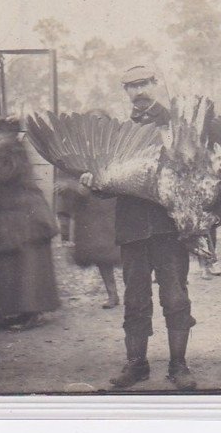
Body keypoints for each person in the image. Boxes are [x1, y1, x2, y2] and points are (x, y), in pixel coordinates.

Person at [79, 65, 197, 390]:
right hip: (132, 228)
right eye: (131, 86)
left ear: (156, 84)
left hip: (168, 226)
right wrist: (95, 182)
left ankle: (178, 365)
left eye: (144, 83)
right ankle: (137, 365)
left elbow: (195, 165)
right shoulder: (120, 133)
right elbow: (109, 180)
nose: (138, 91)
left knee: (175, 296)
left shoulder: (177, 124)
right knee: (135, 298)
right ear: (125, 92)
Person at [0, 117, 61, 330]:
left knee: (28, 267)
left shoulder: (11, 149)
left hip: (26, 217)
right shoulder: (12, 148)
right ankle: (24, 313)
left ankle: (31, 315)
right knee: (18, 266)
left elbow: (3, 172)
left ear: (4, 134)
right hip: (22, 217)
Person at [55, 110, 121, 309]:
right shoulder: (78, 149)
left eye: (101, 122)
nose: (97, 126)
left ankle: (136, 292)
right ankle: (113, 294)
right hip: (91, 209)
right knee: (102, 254)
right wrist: (71, 186)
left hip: (112, 204)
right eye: (93, 122)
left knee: (123, 251)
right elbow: (68, 173)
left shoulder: (117, 146)